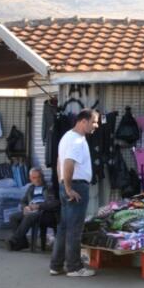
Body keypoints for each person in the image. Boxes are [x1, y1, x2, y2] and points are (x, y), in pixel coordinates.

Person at [50, 109, 100, 277]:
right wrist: (69, 188)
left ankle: (56, 266)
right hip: (76, 187)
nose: (96, 125)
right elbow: (68, 163)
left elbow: (59, 162)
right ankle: (74, 267)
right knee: (75, 228)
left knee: (64, 227)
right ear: (83, 121)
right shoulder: (77, 141)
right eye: (94, 122)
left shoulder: (67, 137)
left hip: (68, 185)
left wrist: (62, 183)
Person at [5, 167, 59, 251]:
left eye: (39, 177)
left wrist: (38, 206)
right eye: (34, 178)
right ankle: (23, 243)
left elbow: (53, 203)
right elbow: (23, 201)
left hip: (45, 213)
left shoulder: (48, 188)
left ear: (42, 177)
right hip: (32, 211)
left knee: (30, 216)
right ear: (30, 179)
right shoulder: (31, 188)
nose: (37, 180)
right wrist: (25, 207)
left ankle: (14, 240)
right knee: (13, 217)